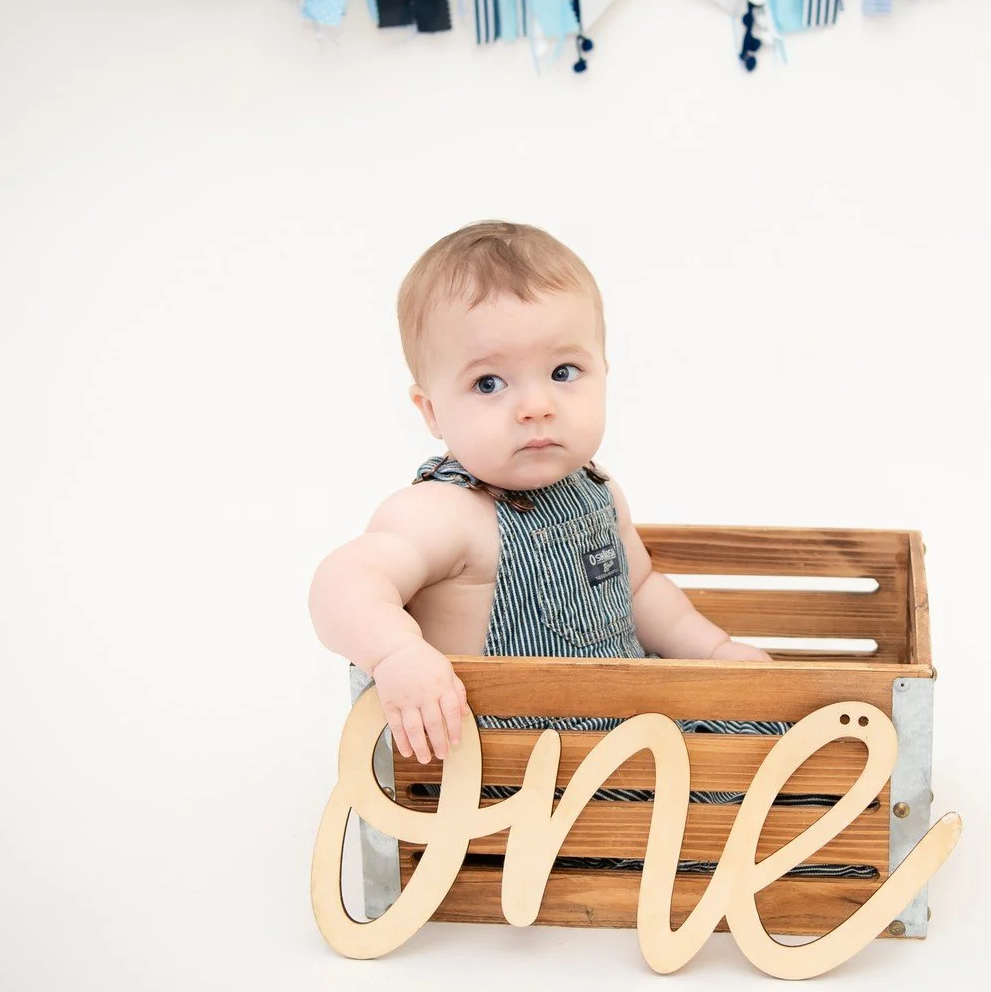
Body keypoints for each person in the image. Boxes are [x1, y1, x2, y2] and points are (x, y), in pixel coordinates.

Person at [307, 220, 773, 769]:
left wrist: (716, 652)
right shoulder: (441, 513)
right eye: (489, 383)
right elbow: (341, 584)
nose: (536, 405)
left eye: (563, 371)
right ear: (431, 411)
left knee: (763, 745)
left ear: (604, 373)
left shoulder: (598, 492)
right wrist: (398, 654)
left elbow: (642, 591)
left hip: (627, 735)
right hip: (515, 769)